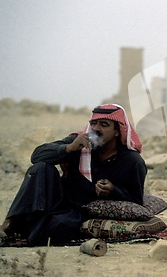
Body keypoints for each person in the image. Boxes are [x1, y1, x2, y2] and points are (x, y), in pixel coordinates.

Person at [0, 104, 147, 246]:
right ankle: (10, 223)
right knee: (40, 168)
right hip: (59, 198)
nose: (96, 129)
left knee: (57, 228)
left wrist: (113, 190)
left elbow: (135, 199)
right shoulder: (80, 142)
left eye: (104, 124)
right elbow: (37, 155)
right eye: (94, 123)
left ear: (117, 131)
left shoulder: (132, 161)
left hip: (79, 210)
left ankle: (26, 232)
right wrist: (69, 148)